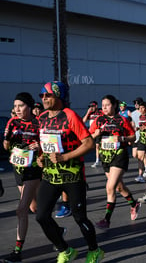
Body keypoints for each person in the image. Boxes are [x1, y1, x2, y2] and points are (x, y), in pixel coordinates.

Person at [35, 81, 104, 263]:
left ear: (58, 96)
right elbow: (45, 142)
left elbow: (88, 143)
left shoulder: (69, 116)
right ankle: (65, 250)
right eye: (42, 95)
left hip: (72, 175)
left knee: (79, 217)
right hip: (50, 175)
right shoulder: (41, 117)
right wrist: (40, 157)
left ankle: (94, 250)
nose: (43, 98)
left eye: (47, 95)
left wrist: (65, 157)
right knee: (41, 216)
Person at [89, 95, 141, 229]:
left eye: (107, 105)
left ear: (114, 105)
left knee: (110, 187)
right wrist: (95, 134)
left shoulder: (122, 120)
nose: (104, 107)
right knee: (119, 187)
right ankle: (134, 204)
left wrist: (122, 138)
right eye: (103, 105)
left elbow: (133, 137)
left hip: (119, 156)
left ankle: (106, 220)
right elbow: (88, 137)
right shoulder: (99, 120)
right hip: (105, 157)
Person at [2, 92, 42, 263]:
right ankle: (56, 230)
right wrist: (8, 139)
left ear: (30, 106)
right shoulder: (12, 121)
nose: (17, 109)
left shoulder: (38, 123)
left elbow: (45, 147)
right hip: (18, 169)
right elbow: (6, 146)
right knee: (34, 208)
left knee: (21, 210)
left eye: (21, 106)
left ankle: (17, 251)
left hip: (33, 170)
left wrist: (38, 146)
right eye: (15, 106)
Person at [131, 101, 146, 183]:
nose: (141, 109)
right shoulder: (141, 117)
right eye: (140, 108)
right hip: (141, 139)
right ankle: (140, 175)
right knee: (139, 158)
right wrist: (137, 128)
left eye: (142, 108)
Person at [82, 100, 103, 168]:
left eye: (93, 106)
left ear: (96, 106)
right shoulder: (90, 113)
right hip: (91, 132)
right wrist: (88, 112)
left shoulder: (100, 112)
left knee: (98, 145)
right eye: (90, 106)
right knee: (91, 145)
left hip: (98, 131)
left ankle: (98, 160)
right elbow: (83, 121)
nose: (92, 108)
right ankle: (98, 159)